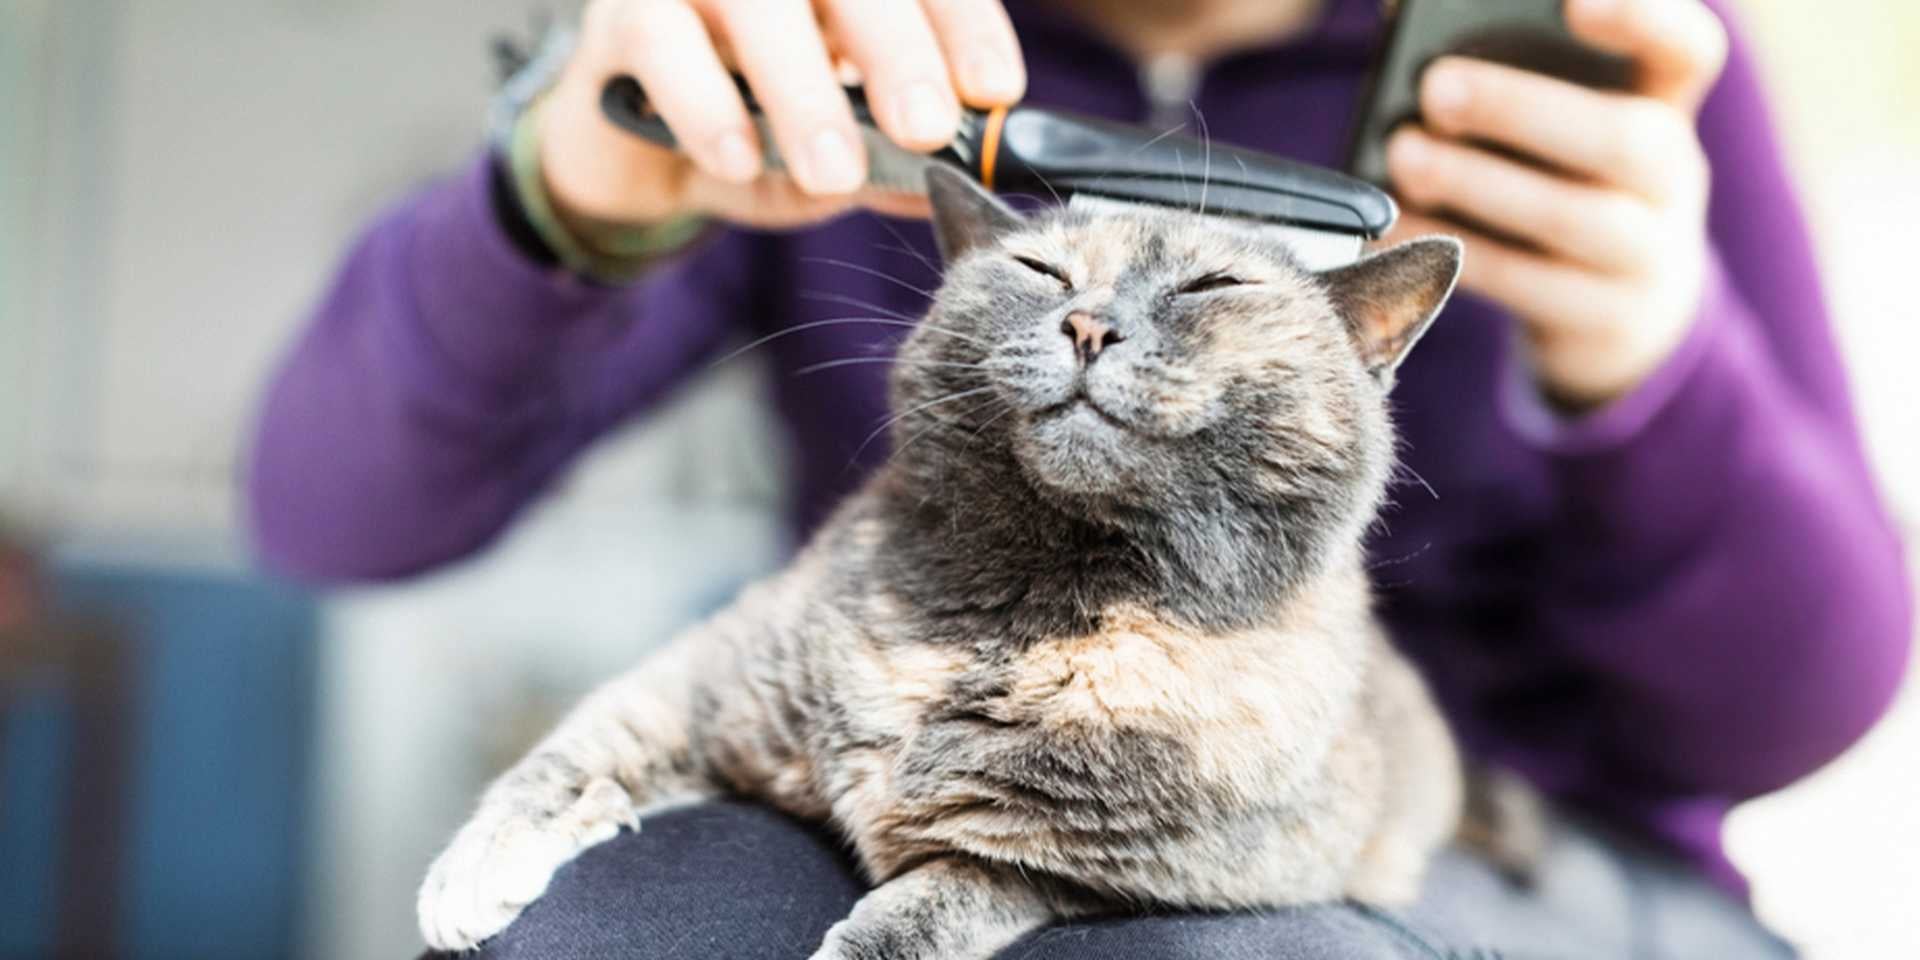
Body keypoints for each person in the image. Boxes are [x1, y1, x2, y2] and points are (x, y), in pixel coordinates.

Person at [250, 0, 1912, 955]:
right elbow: (333, 512)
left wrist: (1657, 361)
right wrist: (573, 178)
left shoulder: (1588, 41)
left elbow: (1789, 711)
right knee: (626, 935)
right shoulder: (853, 35)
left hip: (1528, 830)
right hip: (918, 732)